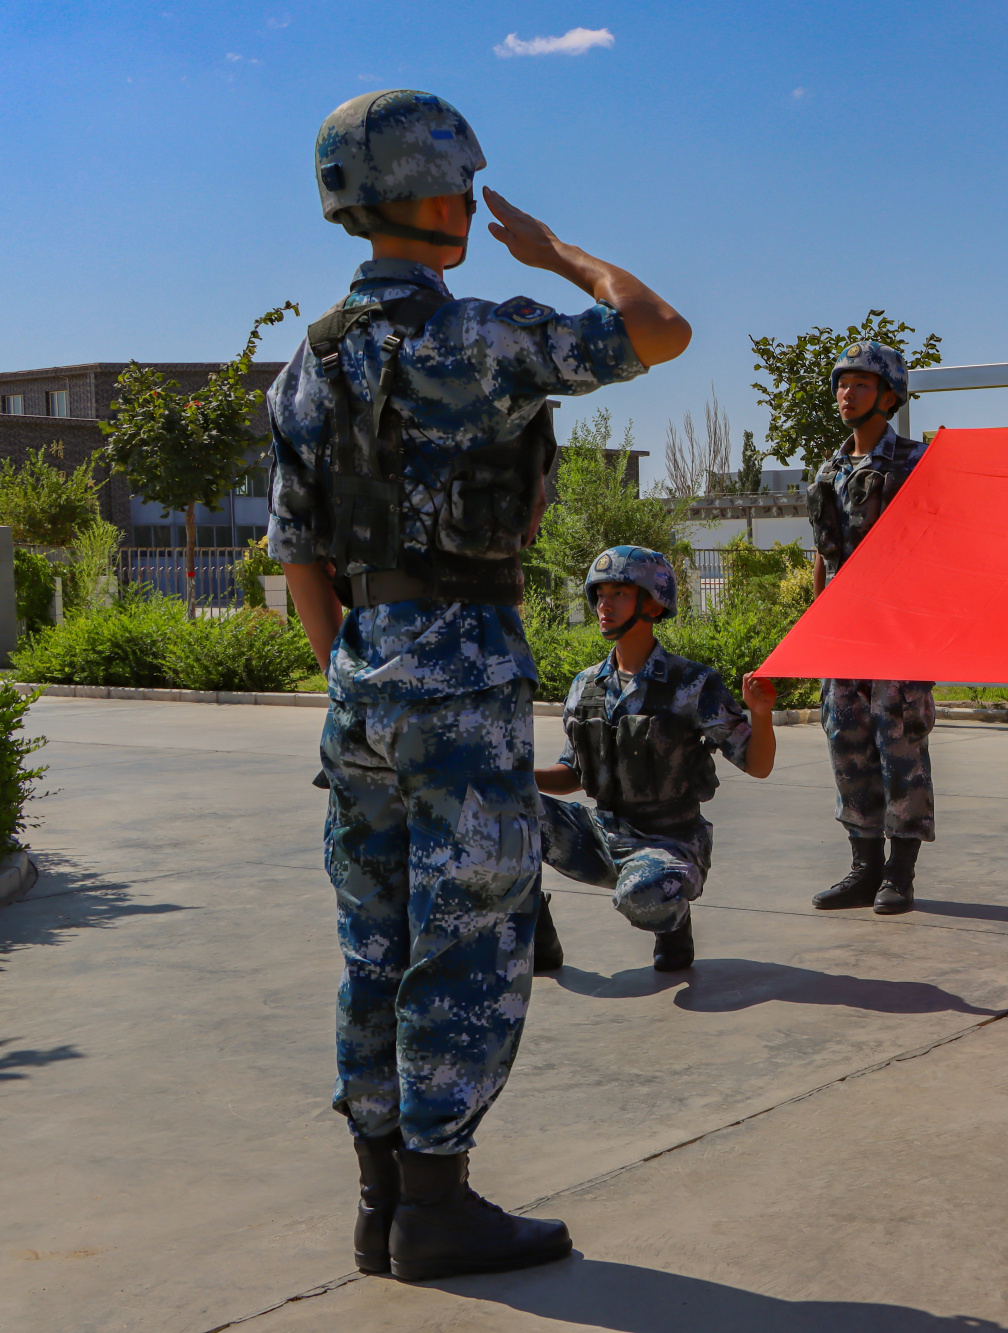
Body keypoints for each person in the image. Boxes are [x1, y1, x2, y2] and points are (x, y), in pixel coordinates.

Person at [269, 89, 690, 1282]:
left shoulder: (313, 359)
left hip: (362, 675)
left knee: (375, 940)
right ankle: (438, 1206)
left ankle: (378, 1200)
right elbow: (656, 328)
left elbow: (299, 549)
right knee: (467, 940)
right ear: (442, 193)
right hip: (462, 670)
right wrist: (558, 253)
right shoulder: (485, 338)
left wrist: (360, 674)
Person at [531, 546, 777, 974]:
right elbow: (572, 773)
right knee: (501, 814)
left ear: (653, 602)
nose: (604, 605)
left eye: (620, 593)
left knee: (641, 897)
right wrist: (516, 775)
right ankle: (536, 933)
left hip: (668, 842)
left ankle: (674, 925)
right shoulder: (586, 685)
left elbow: (757, 765)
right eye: (600, 593)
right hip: (601, 834)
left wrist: (760, 714)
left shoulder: (691, 684)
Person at [804, 342, 935, 915]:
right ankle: (864, 868)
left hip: (899, 630)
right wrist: (818, 627)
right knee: (846, 743)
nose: (845, 394)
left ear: (888, 396)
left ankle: (899, 876)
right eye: (841, 384)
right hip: (844, 632)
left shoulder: (916, 463)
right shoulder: (830, 470)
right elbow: (823, 557)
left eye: (859, 385)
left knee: (899, 746)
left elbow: (941, 547)